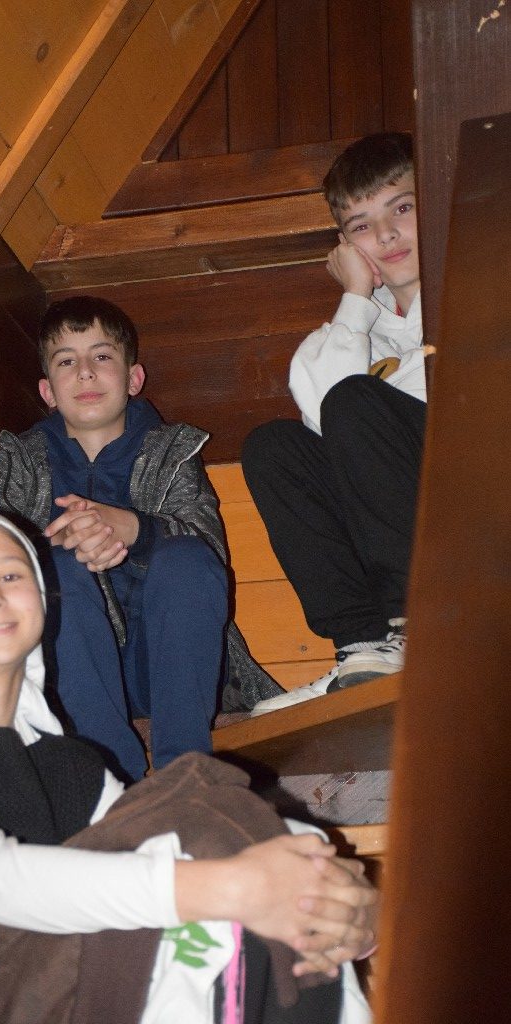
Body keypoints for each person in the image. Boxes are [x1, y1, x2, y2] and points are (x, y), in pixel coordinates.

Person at [0, 509, 377, 1024]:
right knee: (225, 891)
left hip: (33, 997)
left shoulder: (70, 767)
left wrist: (341, 905)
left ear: (41, 599)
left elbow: (186, 839)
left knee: (223, 819)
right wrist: (238, 887)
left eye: (11, 575)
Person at [0, 296, 280, 781]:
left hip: (167, 664)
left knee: (187, 558)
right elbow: (1, 561)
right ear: (47, 390)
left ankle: (184, 768)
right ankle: (111, 776)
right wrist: (60, 545)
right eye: (66, 361)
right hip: (72, 675)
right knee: (49, 569)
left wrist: (135, 530)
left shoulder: (173, 449)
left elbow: (208, 549)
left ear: (133, 379)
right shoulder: (22, 459)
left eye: (102, 356)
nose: (85, 372)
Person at [242, 132, 428, 714]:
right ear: (345, 245)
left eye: (402, 208)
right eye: (362, 225)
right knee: (274, 446)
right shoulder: (356, 325)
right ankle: (364, 647)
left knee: (355, 401)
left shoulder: (481, 293)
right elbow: (324, 414)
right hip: (400, 523)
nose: (387, 235)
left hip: (475, 508)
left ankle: (415, 627)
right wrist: (356, 297)